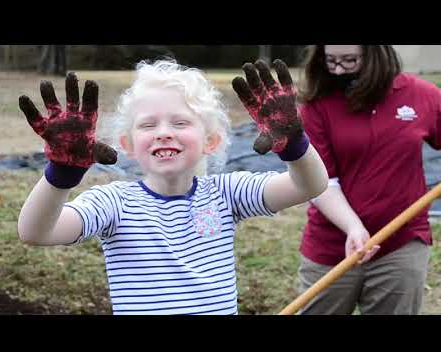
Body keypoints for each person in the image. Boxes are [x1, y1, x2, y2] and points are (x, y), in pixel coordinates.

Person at [17, 59, 328, 315]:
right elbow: (35, 232)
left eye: (180, 123)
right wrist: (61, 175)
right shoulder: (114, 202)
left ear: (211, 141)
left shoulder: (226, 194)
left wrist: (295, 145)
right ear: (128, 144)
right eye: (148, 125)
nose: (164, 133)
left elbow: (310, 185)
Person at [297, 45, 440, 315]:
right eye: (331, 61)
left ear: (376, 55)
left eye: (349, 60)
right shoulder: (317, 104)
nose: (338, 70)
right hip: (332, 245)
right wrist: (353, 227)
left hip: (402, 242)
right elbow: (320, 182)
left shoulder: (422, 96)